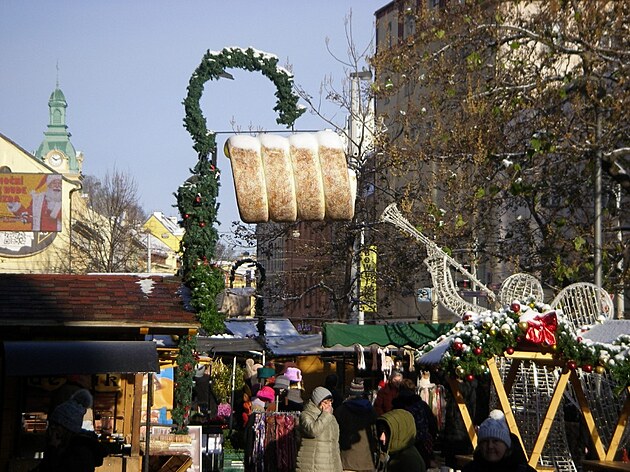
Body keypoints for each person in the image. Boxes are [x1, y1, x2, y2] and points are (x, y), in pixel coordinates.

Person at [33, 389, 107, 472]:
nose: (52, 428)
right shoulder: (63, 446)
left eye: (57, 425)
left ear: (67, 428)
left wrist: (52, 450)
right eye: (52, 424)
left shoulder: (79, 454)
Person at [462, 410, 536, 472]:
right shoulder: (469, 470)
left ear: (506, 445)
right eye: (485, 441)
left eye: (495, 441)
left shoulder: (523, 470)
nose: (490, 446)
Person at [333, 378, 377, 472]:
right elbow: (375, 432)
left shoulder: (341, 410)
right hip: (367, 458)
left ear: (350, 392)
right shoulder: (370, 410)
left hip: (347, 459)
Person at [392, 379, 438, 468]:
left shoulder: (397, 406)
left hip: (401, 446)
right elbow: (432, 425)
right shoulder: (422, 405)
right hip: (421, 445)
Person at [296, 386, 343, 472]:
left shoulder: (331, 417)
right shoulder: (306, 415)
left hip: (330, 466)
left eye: (330, 402)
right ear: (317, 402)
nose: (329, 405)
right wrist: (325, 415)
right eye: (325, 402)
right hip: (312, 466)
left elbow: (335, 445)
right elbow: (313, 431)